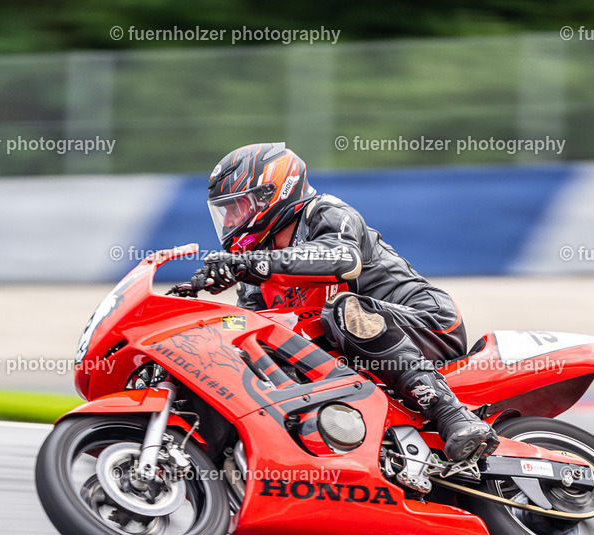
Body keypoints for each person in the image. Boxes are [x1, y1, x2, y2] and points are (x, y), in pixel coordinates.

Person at [193, 142, 498, 487]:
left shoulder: (325, 212)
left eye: (238, 207)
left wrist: (250, 264)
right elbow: (250, 333)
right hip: (357, 348)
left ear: (271, 192)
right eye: (225, 211)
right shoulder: (256, 267)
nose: (231, 220)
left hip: (427, 322)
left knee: (342, 310)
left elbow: (343, 260)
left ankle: (451, 414)